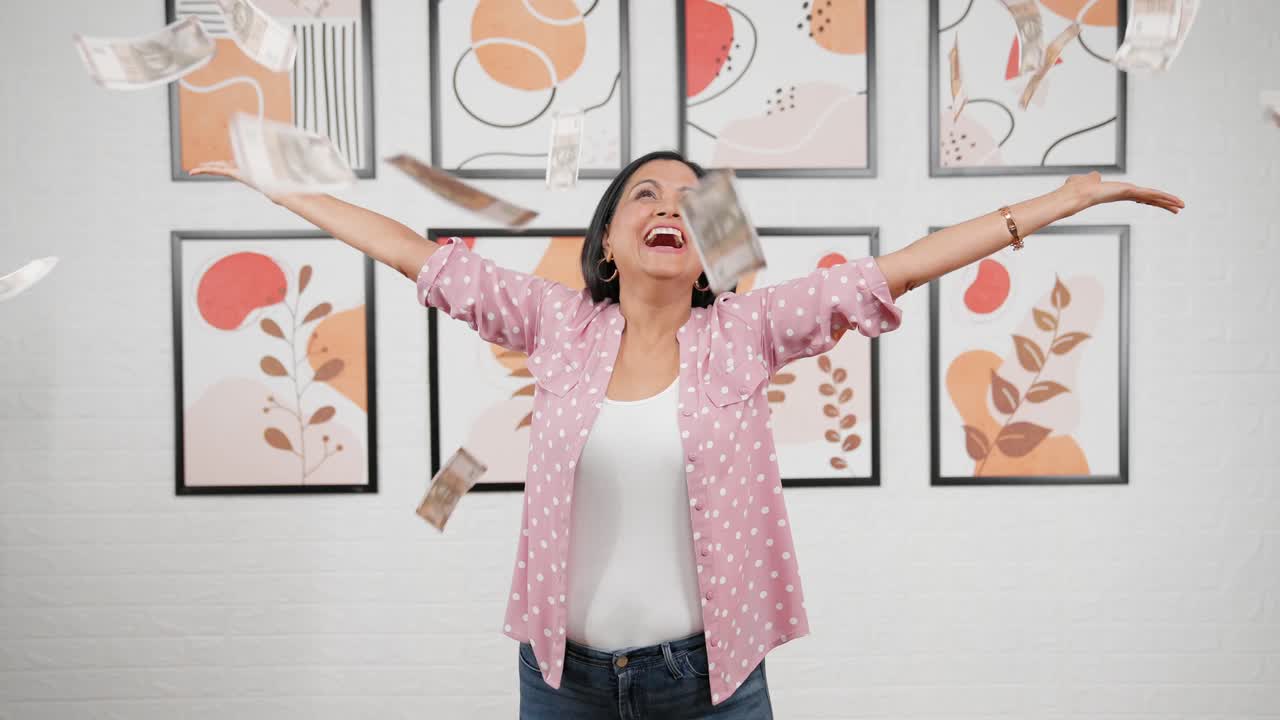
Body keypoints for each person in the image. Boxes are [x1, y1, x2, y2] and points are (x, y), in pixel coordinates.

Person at [193, 150, 1183, 718]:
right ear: (608, 239)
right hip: (559, 682)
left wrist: (1061, 202)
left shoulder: (746, 331)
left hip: (709, 682)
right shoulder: (553, 325)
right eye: (642, 196)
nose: (665, 206)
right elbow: (416, 253)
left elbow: (896, 271)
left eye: (683, 199)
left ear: (705, 242)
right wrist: (278, 188)